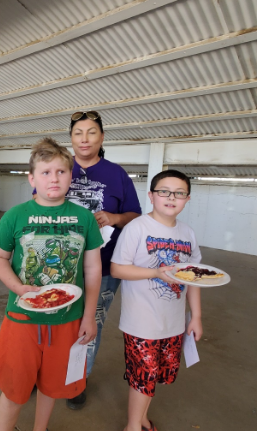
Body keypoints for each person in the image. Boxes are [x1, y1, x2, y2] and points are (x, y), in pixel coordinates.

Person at [0, 137, 103, 431]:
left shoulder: (84, 218)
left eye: (61, 172)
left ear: (70, 176)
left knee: (52, 386)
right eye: (46, 172)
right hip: (22, 318)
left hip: (68, 320)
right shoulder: (16, 215)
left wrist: (89, 315)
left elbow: (92, 268)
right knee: (14, 389)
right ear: (32, 178)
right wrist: (17, 288)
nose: (54, 178)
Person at [58, 110, 142, 409]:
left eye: (91, 132)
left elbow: (134, 216)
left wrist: (114, 217)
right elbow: (39, 202)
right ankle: (43, 372)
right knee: (52, 319)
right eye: (78, 132)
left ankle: (77, 378)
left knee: (90, 323)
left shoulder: (116, 174)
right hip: (58, 264)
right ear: (71, 139)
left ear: (102, 137)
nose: (84, 138)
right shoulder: (58, 168)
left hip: (105, 264)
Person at [110, 169, 202, 431]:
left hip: (173, 322)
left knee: (156, 376)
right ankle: (133, 426)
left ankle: (141, 419)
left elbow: (194, 278)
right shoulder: (137, 228)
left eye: (179, 193)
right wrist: (155, 272)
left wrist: (195, 316)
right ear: (151, 196)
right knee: (143, 378)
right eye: (164, 191)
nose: (171, 197)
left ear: (187, 199)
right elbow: (117, 269)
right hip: (141, 322)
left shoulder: (188, 233)